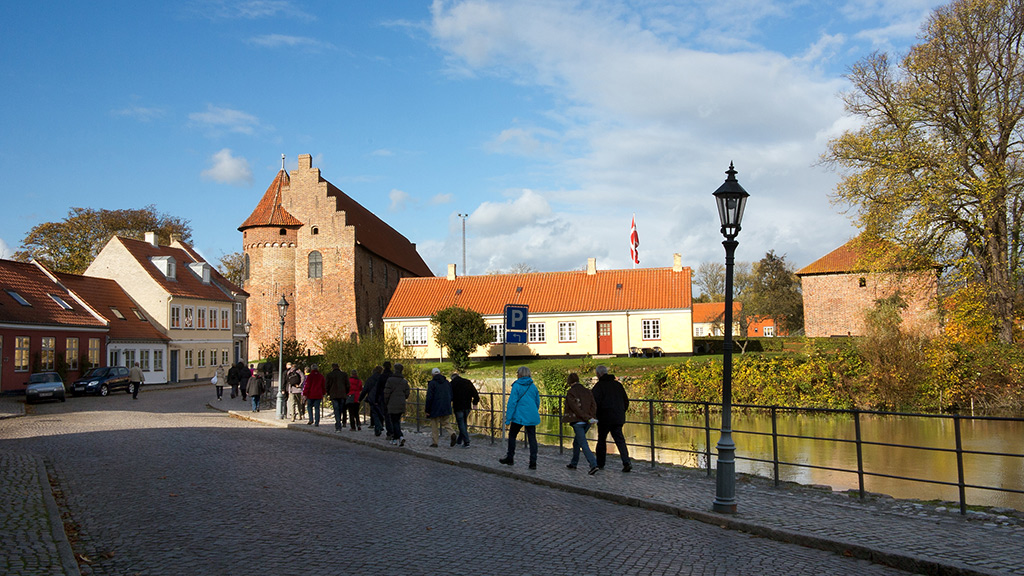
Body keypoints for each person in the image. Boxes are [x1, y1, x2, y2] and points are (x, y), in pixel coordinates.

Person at [499, 366, 540, 469]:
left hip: (519, 415)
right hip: (531, 415)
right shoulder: (533, 386)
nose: (516, 375)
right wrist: (533, 411)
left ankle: (510, 457)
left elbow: (512, 403)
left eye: (517, 373)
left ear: (520, 374)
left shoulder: (517, 386)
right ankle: (533, 462)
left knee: (512, 435)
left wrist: (508, 418)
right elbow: (537, 402)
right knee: (532, 438)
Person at [592, 365, 631, 473]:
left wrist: (594, 415)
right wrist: (622, 411)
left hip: (604, 417)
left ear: (598, 374)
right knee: (620, 440)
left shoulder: (599, 387)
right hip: (618, 417)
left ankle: (600, 463)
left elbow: (594, 403)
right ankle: (626, 462)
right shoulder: (618, 385)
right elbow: (626, 401)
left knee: (601, 440)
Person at [563, 372, 599, 474]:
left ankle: (593, 464)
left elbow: (575, 408)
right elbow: (593, 405)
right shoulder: (587, 391)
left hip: (578, 421)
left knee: (583, 443)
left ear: (569, 382)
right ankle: (574, 463)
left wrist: (586, 417)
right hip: (587, 421)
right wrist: (591, 417)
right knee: (576, 442)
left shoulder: (571, 392)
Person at [424, 368, 455, 447]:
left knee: (434, 424)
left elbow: (429, 397)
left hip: (435, 406)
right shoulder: (447, 382)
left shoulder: (432, 383)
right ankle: (452, 433)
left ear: (432, 375)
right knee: (446, 422)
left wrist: (427, 410)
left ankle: (435, 442)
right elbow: (451, 394)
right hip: (446, 405)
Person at [450, 371, 480, 448]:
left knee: (461, 423)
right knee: (463, 423)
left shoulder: (452, 384)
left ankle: (467, 442)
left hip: (458, 406)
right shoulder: (467, 382)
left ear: (452, 378)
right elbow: (475, 394)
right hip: (467, 406)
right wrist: (475, 403)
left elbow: (449, 396)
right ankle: (459, 441)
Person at [383, 363, 409, 446]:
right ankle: (396, 437)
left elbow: (386, 393)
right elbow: (407, 393)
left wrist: (386, 402)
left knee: (394, 421)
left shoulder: (390, 380)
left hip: (392, 402)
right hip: (401, 403)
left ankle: (399, 437)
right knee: (397, 420)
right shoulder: (404, 381)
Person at [359, 366, 385, 436]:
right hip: (382, 398)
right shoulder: (383, 378)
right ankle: (380, 425)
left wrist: (360, 399)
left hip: (372, 398)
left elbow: (365, 390)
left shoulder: (370, 379)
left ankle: (378, 428)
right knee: (381, 412)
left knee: (375, 413)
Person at [326, 364, 349, 431]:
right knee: (341, 409)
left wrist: (328, 393)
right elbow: (348, 385)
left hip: (334, 395)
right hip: (342, 394)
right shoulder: (344, 375)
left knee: (336, 410)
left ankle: (338, 424)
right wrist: (346, 392)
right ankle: (340, 422)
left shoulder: (329, 375)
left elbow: (327, 385)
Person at [379, 361, 395, 440]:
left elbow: (378, 388)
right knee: (394, 416)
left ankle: (390, 432)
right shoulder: (393, 376)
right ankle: (395, 431)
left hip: (384, 398)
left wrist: (377, 398)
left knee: (387, 416)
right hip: (393, 398)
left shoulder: (382, 376)